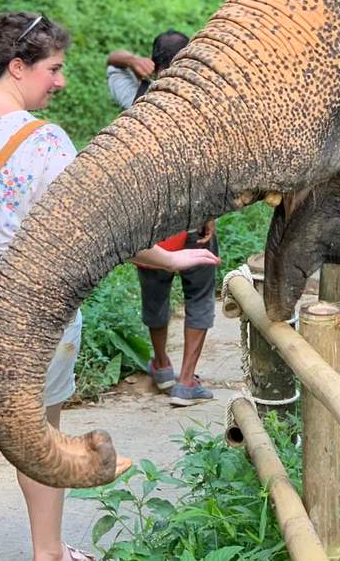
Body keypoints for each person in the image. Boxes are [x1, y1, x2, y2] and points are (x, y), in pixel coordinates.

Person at [0, 13, 218, 561]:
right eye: (52, 69)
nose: (60, 81)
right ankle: (47, 553)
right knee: (41, 432)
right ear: (16, 67)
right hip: (26, 317)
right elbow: (98, 224)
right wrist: (169, 261)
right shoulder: (42, 141)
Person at [107, 31, 219, 407]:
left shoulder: (137, 99)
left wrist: (130, 58)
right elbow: (215, 168)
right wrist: (211, 215)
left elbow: (111, 62)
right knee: (199, 296)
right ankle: (187, 381)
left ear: (153, 65)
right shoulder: (204, 105)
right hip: (193, 220)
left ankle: (162, 365)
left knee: (154, 294)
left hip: (152, 224)